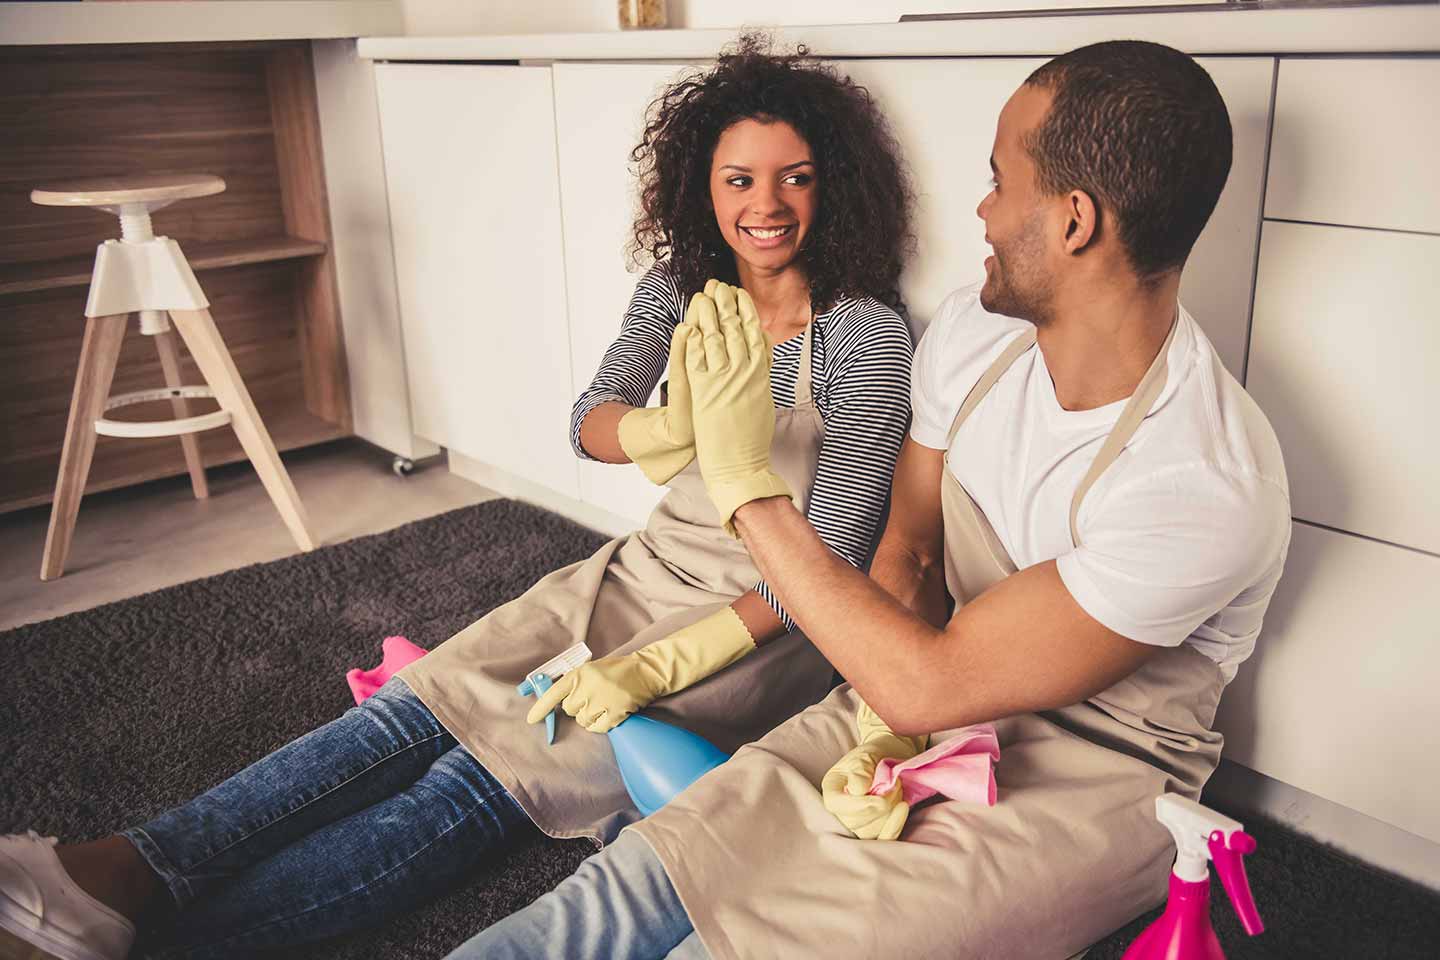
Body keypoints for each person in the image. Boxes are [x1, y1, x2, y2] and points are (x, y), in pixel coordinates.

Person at [0, 36, 917, 960]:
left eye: (793, 179)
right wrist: (656, 430)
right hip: (635, 572)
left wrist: (654, 669)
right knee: (418, 707)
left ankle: (164, 942)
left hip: (753, 628)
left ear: (830, 185)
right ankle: (127, 867)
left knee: (481, 781)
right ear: (702, 187)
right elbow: (590, 418)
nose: (765, 206)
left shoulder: (862, 335)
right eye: (738, 181)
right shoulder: (678, 289)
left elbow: (825, 568)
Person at [451, 40, 1292, 960]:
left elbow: (931, 677)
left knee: (759, 944)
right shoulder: (979, 331)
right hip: (918, 679)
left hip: (1090, 773)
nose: (980, 208)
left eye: (999, 180)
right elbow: (912, 556)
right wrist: (884, 731)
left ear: (1074, 221)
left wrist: (745, 485)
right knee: (631, 883)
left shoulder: (1202, 481)